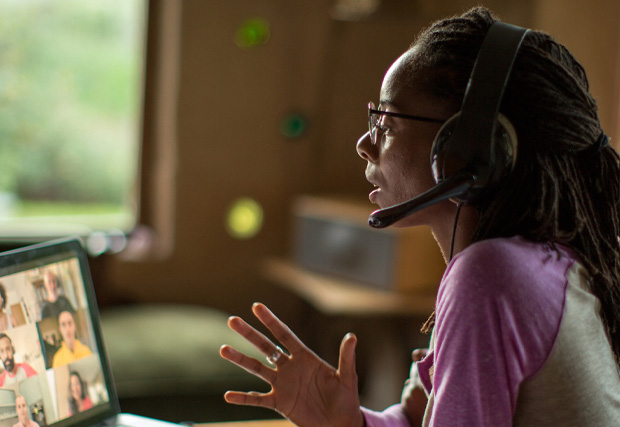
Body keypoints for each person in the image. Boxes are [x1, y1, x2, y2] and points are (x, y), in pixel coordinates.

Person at [220, 7, 620, 426]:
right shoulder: (550, 265)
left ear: (467, 148)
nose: (364, 143)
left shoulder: (491, 276)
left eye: (386, 122)